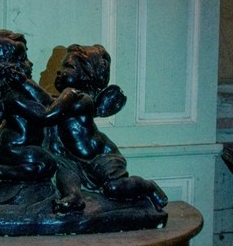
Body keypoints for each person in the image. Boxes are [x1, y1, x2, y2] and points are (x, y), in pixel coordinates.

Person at [50, 44, 168, 213]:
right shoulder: (62, 99)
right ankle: (73, 197)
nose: (60, 71)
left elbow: (49, 110)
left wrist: (26, 86)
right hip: (73, 158)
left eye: (68, 67)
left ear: (87, 75)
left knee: (114, 187)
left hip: (101, 156)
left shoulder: (80, 100)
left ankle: (148, 186)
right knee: (65, 172)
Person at [0, 30, 78, 196]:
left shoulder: (22, 90)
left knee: (50, 160)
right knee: (46, 165)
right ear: (10, 69)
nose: (30, 63)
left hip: (23, 147)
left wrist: (26, 82)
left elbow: (45, 100)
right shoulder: (13, 97)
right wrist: (68, 95)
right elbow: (46, 115)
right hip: (13, 148)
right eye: (23, 59)